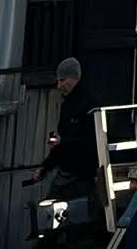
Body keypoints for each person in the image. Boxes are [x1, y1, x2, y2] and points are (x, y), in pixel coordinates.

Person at [32, 57, 97, 198]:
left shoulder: (90, 103)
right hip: (66, 173)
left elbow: (91, 141)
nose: (59, 85)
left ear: (73, 78)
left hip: (83, 175)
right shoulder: (66, 105)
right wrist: (45, 167)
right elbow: (60, 144)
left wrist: (63, 141)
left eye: (62, 80)